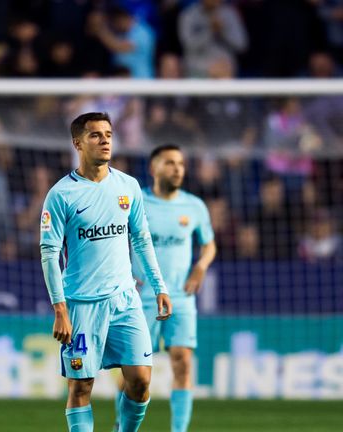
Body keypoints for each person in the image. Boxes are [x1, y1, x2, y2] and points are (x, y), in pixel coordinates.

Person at [40, 112, 172, 432]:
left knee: (140, 380)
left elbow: (141, 240)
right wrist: (60, 309)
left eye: (108, 134)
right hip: (81, 304)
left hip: (125, 300)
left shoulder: (128, 186)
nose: (105, 140)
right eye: (96, 135)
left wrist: (159, 286)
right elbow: (49, 253)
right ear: (78, 143)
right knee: (81, 387)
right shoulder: (62, 194)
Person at [113, 144, 217, 432]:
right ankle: (122, 425)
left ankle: (179, 430)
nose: (177, 169)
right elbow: (112, 238)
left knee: (182, 362)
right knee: (133, 374)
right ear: (153, 168)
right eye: (170, 163)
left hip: (181, 298)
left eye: (181, 164)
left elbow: (208, 243)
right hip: (138, 299)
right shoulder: (136, 201)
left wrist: (200, 266)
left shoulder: (194, 206)